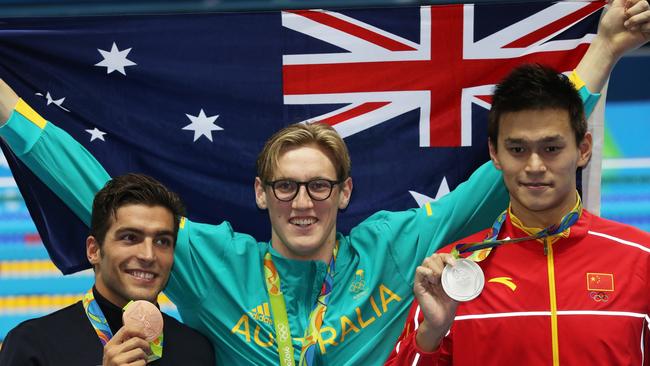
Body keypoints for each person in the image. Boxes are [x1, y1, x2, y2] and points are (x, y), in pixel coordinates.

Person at [0, 1, 647, 363]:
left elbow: (510, 165)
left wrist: (604, 51)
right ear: (260, 194)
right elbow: (86, 182)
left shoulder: (395, 248)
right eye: (284, 186)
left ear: (344, 193)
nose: (301, 201)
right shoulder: (211, 262)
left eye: (318, 186)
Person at [385, 62, 650, 365]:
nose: (534, 166)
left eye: (551, 148)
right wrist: (432, 333)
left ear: (584, 149)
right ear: (495, 154)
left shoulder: (642, 259)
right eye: (517, 149)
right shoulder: (453, 275)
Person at [0, 174, 215, 366]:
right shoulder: (32, 345)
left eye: (162, 241)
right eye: (130, 237)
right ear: (94, 250)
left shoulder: (196, 351)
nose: (148, 255)